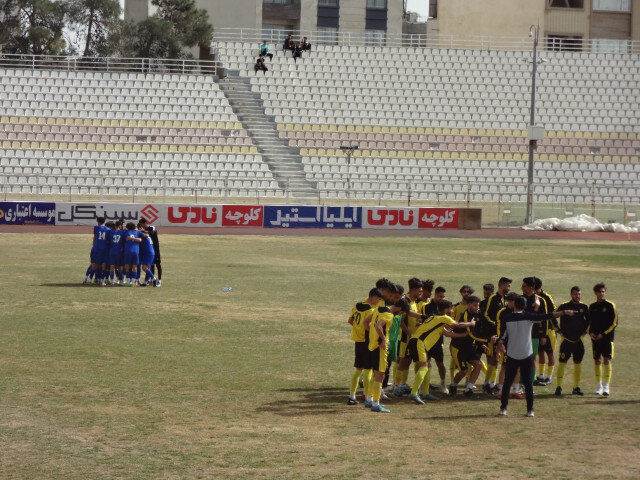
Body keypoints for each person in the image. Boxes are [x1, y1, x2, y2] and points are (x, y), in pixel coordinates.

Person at [494, 296, 572, 417]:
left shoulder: (507, 318)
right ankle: (530, 410)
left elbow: (503, 336)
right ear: (524, 307)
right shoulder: (529, 317)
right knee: (528, 383)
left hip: (512, 354)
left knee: (507, 382)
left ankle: (503, 409)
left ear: (514, 305)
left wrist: (500, 345)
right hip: (526, 355)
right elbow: (547, 316)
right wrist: (564, 312)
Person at [405, 300, 475, 405]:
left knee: (427, 366)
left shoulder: (434, 318)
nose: (452, 311)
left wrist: (463, 335)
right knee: (424, 366)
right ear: (446, 309)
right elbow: (458, 325)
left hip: (418, 342)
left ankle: (425, 393)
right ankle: (414, 392)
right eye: (451, 309)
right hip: (419, 343)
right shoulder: (443, 317)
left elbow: (447, 334)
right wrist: (472, 323)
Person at [347, 288, 382, 405]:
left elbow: (350, 320)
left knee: (358, 370)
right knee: (368, 370)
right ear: (373, 296)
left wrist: (358, 330)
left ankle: (352, 395)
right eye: (378, 298)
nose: (378, 301)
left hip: (358, 340)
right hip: (366, 341)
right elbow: (369, 326)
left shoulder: (357, 305)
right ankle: (368, 397)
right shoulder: (371, 310)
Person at [554, 286, 591, 396]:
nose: (577, 296)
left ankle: (576, 387)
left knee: (578, 363)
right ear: (571, 294)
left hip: (578, 341)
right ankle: (558, 387)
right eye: (575, 294)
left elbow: (589, 321)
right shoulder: (564, 306)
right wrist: (558, 331)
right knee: (562, 363)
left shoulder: (584, 307)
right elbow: (552, 316)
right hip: (566, 341)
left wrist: (585, 332)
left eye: (579, 294)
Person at [364, 296, 397, 413]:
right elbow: (378, 326)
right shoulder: (389, 315)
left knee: (375, 374)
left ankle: (369, 399)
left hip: (372, 346)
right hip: (380, 349)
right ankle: (376, 404)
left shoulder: (377, 310)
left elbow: (365, 322)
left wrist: (372, 335)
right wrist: (383, 339)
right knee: (380, 376)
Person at [392, 278, 423, 396]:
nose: (420, 293)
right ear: (413, 289)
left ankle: (402, 384)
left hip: (411, 336)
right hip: (405, 337)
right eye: (419, 291)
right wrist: (409, 334)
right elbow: (401, 321)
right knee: (403, 361)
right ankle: (396, 385)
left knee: (407, 361)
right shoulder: (405, 301)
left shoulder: (414, 301)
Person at [449, 296, 485, 397]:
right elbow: (462, 327)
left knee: (478, 365)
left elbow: (479, 331)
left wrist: (482, 344)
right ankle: (453, 385)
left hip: (469, 346)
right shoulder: (465, 315)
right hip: (458, 347)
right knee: (464, 370)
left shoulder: (479, 315)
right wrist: (486, 341)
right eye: (475, 305)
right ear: (469, 305)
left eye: (478, 305)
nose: (477, 307)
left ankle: (468, 389)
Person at [589, 283, 618, 396]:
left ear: (605, 292)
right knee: (597, 360)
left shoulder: (611, 305)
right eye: (599, 292)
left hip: (607, 338)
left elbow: (614, 323)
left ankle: (606, 386)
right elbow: (589, 322)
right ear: (595, 293)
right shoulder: (592, 306)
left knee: (607, 360)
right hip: (595, 338)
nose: (601, 294)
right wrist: (590, 333)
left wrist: (604, 334)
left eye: (603, 291)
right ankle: (599, 385)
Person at [484, 277, 512, 394]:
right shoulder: (493, 298)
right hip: (493, 334)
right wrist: (497, 325)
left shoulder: (505, 299)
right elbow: (486, 315)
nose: (509, 288)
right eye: (508, 286)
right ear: (502, 285)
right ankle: (490, 384)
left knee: (495, 359)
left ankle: (489, 384)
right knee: (494, 359)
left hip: (501, 334)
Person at [421, 286, 449, 394]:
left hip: (438, 341)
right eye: (440, 296)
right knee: (426, 363)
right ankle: (423, 386)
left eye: (443, 297)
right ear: (435, 294)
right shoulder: (426, 307)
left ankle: (443, 383)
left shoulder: (444, 307)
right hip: (427, 341)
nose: (442, 298)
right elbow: (425, 322)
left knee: (440, 364)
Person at [535, 277, 557, 386]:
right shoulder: (532, 297)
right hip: (538, 330)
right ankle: (540, 375)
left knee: (550, 353)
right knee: (540, 352)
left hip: (549, 330)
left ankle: (549, 377)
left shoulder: (547, 297)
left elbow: (554, 312)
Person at [139, 218, 161, 287]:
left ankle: (158, 280)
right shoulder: (143, 232)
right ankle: (147, 281)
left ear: (145, 223)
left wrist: (144, 231)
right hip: (150, 250)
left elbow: (152, 232)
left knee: (157, 265)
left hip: (155, 250)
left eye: (142, 225)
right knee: (149, 266)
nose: (142, 226)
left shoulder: (152, 228)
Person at [89, 216, 110, 286]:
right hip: (104, 248)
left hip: (96, 248)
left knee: (94, 264)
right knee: (103, 264)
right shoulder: (108, 229)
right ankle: (101, 281)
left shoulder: (96, 228)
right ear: (104, 222)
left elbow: (94, 238)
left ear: (98, 221)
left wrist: (93, 246)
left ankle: (90, 280)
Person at [123, 222, 143, 286]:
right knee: (134, 266)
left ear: (128, 227)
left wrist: (131, 238)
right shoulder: (137, 232)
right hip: (136, 251)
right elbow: (141, 239)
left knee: (127, 266)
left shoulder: (126, 232)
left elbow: (125, 235)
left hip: (128, 251)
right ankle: (134, 282)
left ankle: (128, 282)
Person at [107, 220, 125, 286]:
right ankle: (120, 281)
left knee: (112, 266)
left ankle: (111, 281)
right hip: (119, 251)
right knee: (120, 267)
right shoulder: (122, 232)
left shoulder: (110, 232)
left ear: (115, 226)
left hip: (112, 251)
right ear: (120, 226)